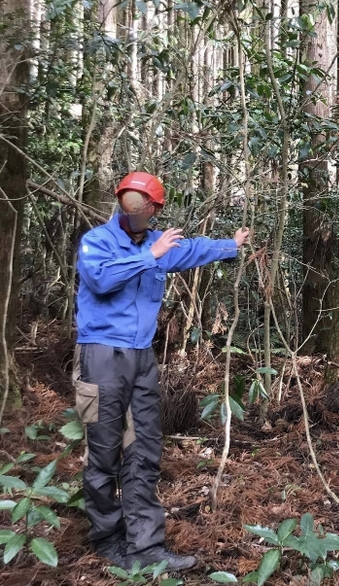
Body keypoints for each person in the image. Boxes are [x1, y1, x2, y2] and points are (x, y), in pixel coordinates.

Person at [73, 171, 249, 572]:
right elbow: (99, 280)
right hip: (101, 355)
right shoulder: (97, 242)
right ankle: (108, 539)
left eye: (146, 205)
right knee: (103, 451)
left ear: (154, 209)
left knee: (144, 449)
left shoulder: (157, 242)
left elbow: (190, 252)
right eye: (133, 203)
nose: (139, 210)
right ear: (124, 204)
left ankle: (146, 545)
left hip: (141, 357)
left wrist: (230, 245)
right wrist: (147, 258)